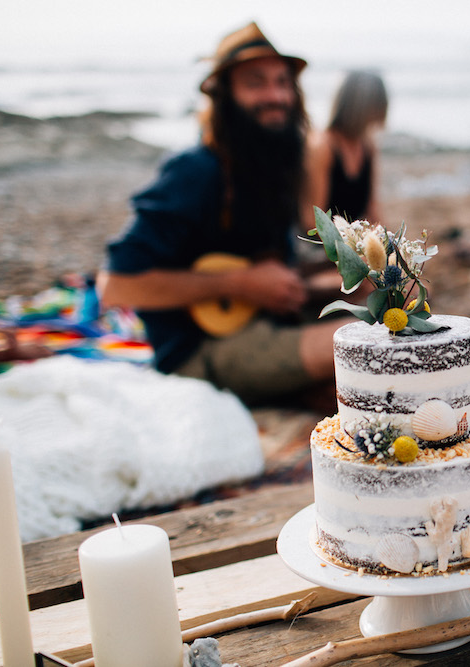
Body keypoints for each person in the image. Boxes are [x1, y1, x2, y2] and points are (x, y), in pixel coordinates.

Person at [98, 22, 346, 408]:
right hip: (197, 351)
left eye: (283, 83)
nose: (276, 95)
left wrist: (341, 275)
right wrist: (239, 284)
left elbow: (280, 273)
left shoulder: (273, 165)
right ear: (223, 96)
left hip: (269, 324)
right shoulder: (195, 171)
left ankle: (309, 393)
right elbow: (115, 286)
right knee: (358, 341)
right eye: (256, 82)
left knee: (379, 303)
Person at [304, 70, 388, 227]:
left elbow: (373, 210)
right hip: (320, 240)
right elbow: (312, 219)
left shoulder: (368, 147)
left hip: (353, 239)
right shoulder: (322, 146)